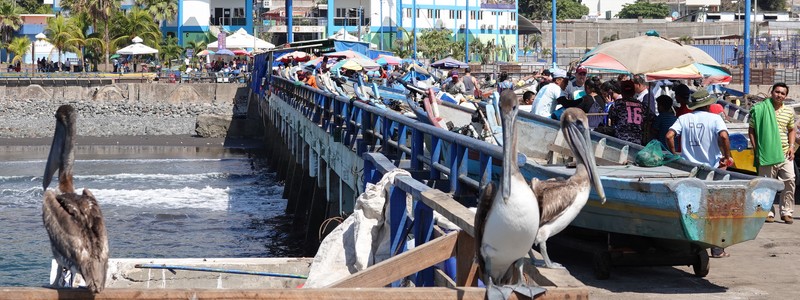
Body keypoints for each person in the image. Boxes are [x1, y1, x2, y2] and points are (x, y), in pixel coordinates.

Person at [665, 89, 733, 259]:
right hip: (713, 170)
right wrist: (727, 156)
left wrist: (675, 155)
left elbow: (669, 136)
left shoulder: (684, 118)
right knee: (715, 210)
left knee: (692, 209)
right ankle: (717, 248)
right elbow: (724, 137)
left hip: (690, 170)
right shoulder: (715, 118)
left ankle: (693, 244)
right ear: (708, 104)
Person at [750, 83, 796, 224]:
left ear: (786, 96)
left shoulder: (789, 111)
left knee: (790, 180)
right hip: (767, 153)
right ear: (772, 92)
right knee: (766, 184)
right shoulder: (760, 109)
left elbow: (791, 129)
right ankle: (768, 211)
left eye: (782, 93)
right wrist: (756, 148)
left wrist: (792, 146)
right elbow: (751, 130)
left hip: (784, 153)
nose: (779, 95)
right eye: (777, 92)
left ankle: (786, 211)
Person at [607, 80, 655, 145]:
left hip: (620, 140)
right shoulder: (642, 106)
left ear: (622, 92)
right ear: (633, 92)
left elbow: (611, 120)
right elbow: (652, 118)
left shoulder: (617, 104)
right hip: (637, 141)